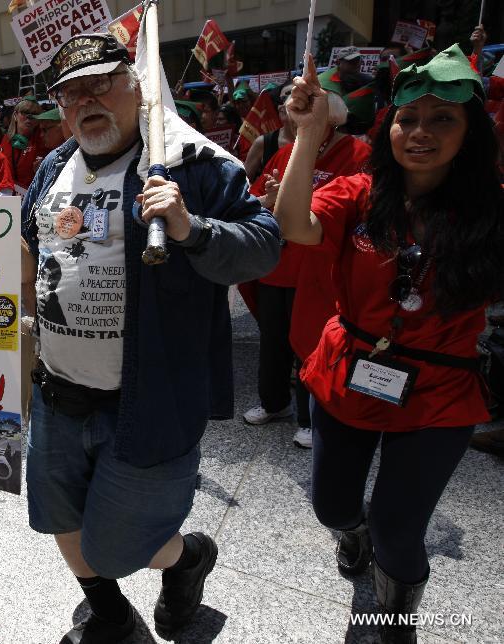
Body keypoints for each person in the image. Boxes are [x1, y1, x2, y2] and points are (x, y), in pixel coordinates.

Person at [22, 33, 281, 642]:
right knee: (58, 518)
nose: (85, 101)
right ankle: (110, 615)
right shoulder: (51, 167)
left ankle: (186, 559)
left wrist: (192, 228)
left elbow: (264, 246)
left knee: (115, 548)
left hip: (149, 403)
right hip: (57, 396)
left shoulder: (195, 165)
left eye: (100, 84)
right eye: (68, 94)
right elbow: (25, 256)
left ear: (137, 85)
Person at [274, 48, 503, 643]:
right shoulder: (359, 191)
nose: (421, 132)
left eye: (442, 119)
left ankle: (395, 615)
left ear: (470, 130)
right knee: (332, 507)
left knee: (399, 528)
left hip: (440, 391)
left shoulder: (494, 209)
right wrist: (310, 132)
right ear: (389, 126)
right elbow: (293, 224)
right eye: (408, 118)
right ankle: (353, 538)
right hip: (352, 368)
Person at [244, 71, 371, 449]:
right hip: (277, 266)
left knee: (312, 341)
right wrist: (267, 200)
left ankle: (308, 415)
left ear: (331, 116)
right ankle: (274, 402)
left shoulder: (358, 155)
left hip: (319, 270)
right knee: (273, 340)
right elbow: (256, 197)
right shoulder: (287, 151)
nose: (294, 116)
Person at [245, 83, 294, 181]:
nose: (283, 105)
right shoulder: (263, 143)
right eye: (281, 100)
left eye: (291, 97)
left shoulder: (318, 139)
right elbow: (243, 183)